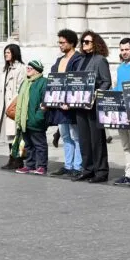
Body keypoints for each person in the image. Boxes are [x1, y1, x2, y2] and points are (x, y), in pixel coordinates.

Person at [73, 31, 112, 183]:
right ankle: (88, 169)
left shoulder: (100, 60)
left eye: (87, 41)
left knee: (97, 140)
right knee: (84, 139)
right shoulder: (81, 59)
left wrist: (95, 94)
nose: (83, 44)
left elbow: (106, 81)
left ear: (95, 43)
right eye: (82, 41)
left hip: (93, 104)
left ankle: (101, 171)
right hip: (80, 104)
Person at [48, 31, 82, 177]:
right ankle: (68, 165)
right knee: (65, 136)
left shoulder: (79, 59)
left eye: (62, 42)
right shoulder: (59, 60)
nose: (60, 45)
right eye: (59, 42)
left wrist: (70, 101)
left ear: (72, 43)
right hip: (59, 104)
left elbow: (79, 82)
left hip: (72, 104)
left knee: (76, 136)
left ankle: (77, 166)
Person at [112, 38, 130, 187]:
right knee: (126, 145)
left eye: (126, 49)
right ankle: (128, 173)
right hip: (120, 110)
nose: (124, 52)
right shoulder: (119, 67)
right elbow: (116, 87)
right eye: (122, 50)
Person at [13, 60, 48, 175]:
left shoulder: (44, 82)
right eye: (27, 67)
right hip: (24, 120)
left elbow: (45, 101)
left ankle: (42, 166)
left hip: (36, 120)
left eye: (30, 68)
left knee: (40, 145)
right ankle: (30, 165)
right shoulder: (25, 82)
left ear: (37, 70)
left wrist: (39, 116)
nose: (27, 69)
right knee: (28, 145)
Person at [0, 43, 25, 170]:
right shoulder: (6, 68)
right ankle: (12, 159)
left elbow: (21, 88)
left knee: (15, 134)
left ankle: (18, 160)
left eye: (8, 52)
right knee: (9, 135)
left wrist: (16, 104)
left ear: (14, 53)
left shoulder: (21, 68)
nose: (6, 54)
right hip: (5, 106)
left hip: (14, 105)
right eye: (5, 53)